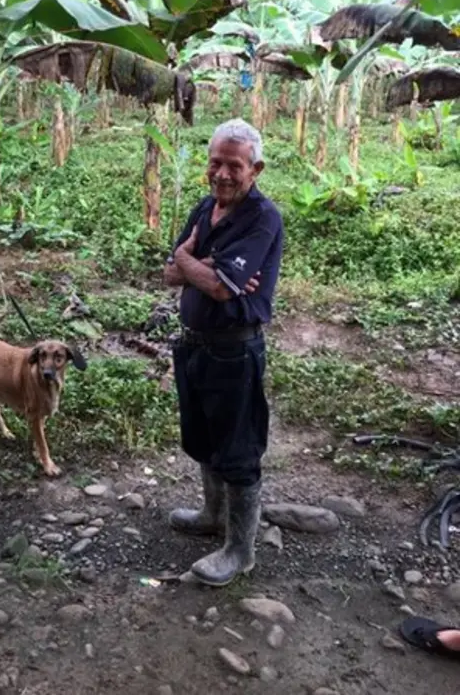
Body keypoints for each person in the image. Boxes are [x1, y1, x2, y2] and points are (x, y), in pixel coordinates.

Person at [163, 118, 284, 587]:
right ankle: (213, 514)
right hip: (194, 345)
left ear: (255, 169)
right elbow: (172, 272)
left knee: (238, 449)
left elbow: (215, 286)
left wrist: (195, 265)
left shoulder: (262, 217)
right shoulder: (204, 207)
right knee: (202, 437)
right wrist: (200, 267)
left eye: (234, 165)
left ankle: (241, 551)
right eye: (216, 163)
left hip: (236, 351)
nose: (223, 174)